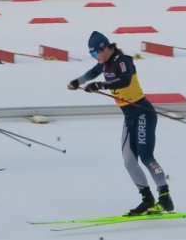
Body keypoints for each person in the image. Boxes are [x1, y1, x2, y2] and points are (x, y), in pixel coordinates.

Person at [67, 31, 174, 216]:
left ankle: (164, 196)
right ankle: (147, 199)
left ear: (105, 48)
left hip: (143, 113)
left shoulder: (123, 60)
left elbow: (124, 81)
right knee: (129, 161)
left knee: (146, 156)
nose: (95, 57)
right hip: (129, 116)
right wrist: (77, 81)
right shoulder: (105, 63)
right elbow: (92, 73)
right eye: (91, 55)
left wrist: (101, 85)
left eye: (95, 53)